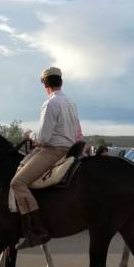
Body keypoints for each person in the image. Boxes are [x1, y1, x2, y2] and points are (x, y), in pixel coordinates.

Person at [10, 67, 82, 249]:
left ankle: (37, 231)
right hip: (71, 148)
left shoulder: (50, 103)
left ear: (45, 85)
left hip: (54, 150)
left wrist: (28, 135)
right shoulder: (71, 102)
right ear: (61, 82)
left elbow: (43, 138)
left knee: (17, 183)